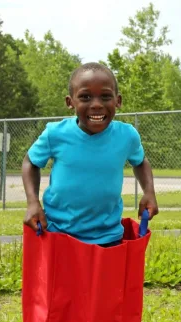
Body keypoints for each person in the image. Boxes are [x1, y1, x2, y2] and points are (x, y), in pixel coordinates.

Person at [21, 62, 158, 246]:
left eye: (105, 96)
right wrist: (32, 202)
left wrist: (149, 192)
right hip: (58, 233)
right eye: (85, 97)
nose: (96, 105)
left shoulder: (127, 135)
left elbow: (140, 162)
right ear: (70, 102)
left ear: (118, 101)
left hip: (109, 236)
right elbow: (31, 162)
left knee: (108, 277)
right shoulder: (55, 133)